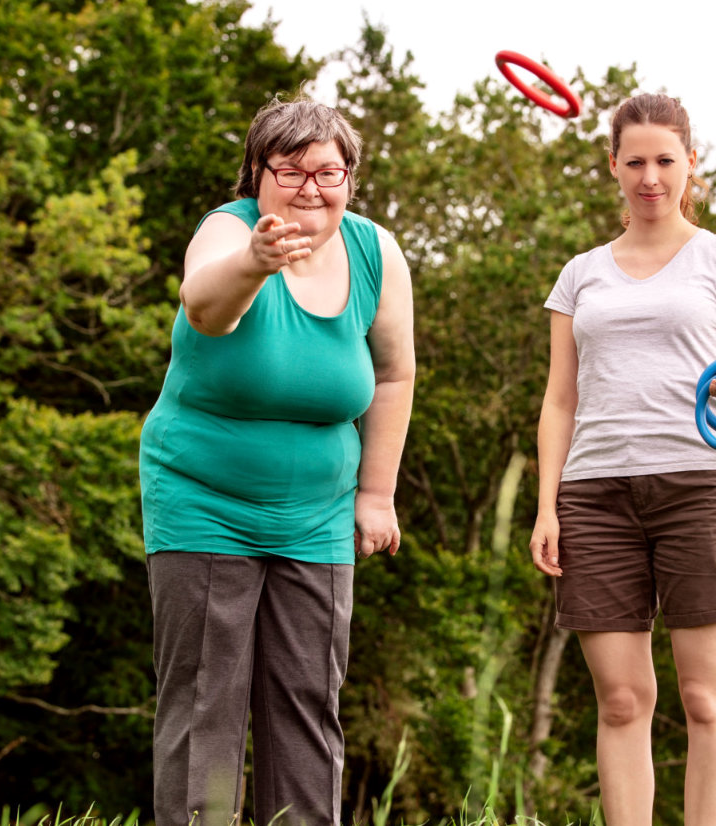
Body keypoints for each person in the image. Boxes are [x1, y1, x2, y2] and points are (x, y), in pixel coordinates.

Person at [140, 96, 415, 826]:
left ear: (350, 178)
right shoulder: (227, 232)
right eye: (290, 169)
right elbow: (203, 308)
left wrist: (376, 494)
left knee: (306, 702)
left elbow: (392, 375)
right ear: (256, 175)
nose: (311, 187)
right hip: (203, 495)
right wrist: (254, 262)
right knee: (204, 702)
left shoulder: (374, 251)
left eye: (329, 171)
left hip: (319, 510)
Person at [528, 93, 716, 826]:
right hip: (594, 496)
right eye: (633, 161)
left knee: (705, 697)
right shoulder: (579, 275)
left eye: (665, 160)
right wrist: (546, 505)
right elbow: (559, 400)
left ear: (690, 163)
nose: (650, 176)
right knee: (623, 700)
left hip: (699, 487)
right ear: (612, 167)